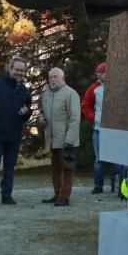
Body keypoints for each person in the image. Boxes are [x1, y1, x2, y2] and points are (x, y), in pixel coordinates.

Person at [0, 55, 32, 207]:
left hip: (14, 136)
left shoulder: (24, 91)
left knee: (9, 167)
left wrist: (26, 114)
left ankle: (7, 195)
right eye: (17, 69)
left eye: (22, 71)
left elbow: (26, 113)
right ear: (10, 69)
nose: (19, 73)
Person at [39, 67, 80, 207]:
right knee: (55, 169)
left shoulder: (70, 93)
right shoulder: (46, 95)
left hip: (66, 141)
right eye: (50, 77)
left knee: (67, 169)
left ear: (62, 77)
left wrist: (70, 139)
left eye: (55, 77)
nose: (52, 79)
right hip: (52, 140)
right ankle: (57, 195)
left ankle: (65, 197)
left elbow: (75, 118)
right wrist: (40, 120)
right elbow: (41, 113)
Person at [82, 61, 116, 194]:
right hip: (98, 129)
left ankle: (116, 185)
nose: (100, 75)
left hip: (114, 129)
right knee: (99, 159)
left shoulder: (117, 87)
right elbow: (85, 105)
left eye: (103, 72)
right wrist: (94, 117)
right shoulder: (93, 88)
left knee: (115, 159)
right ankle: (98, 186)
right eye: (99, 73)